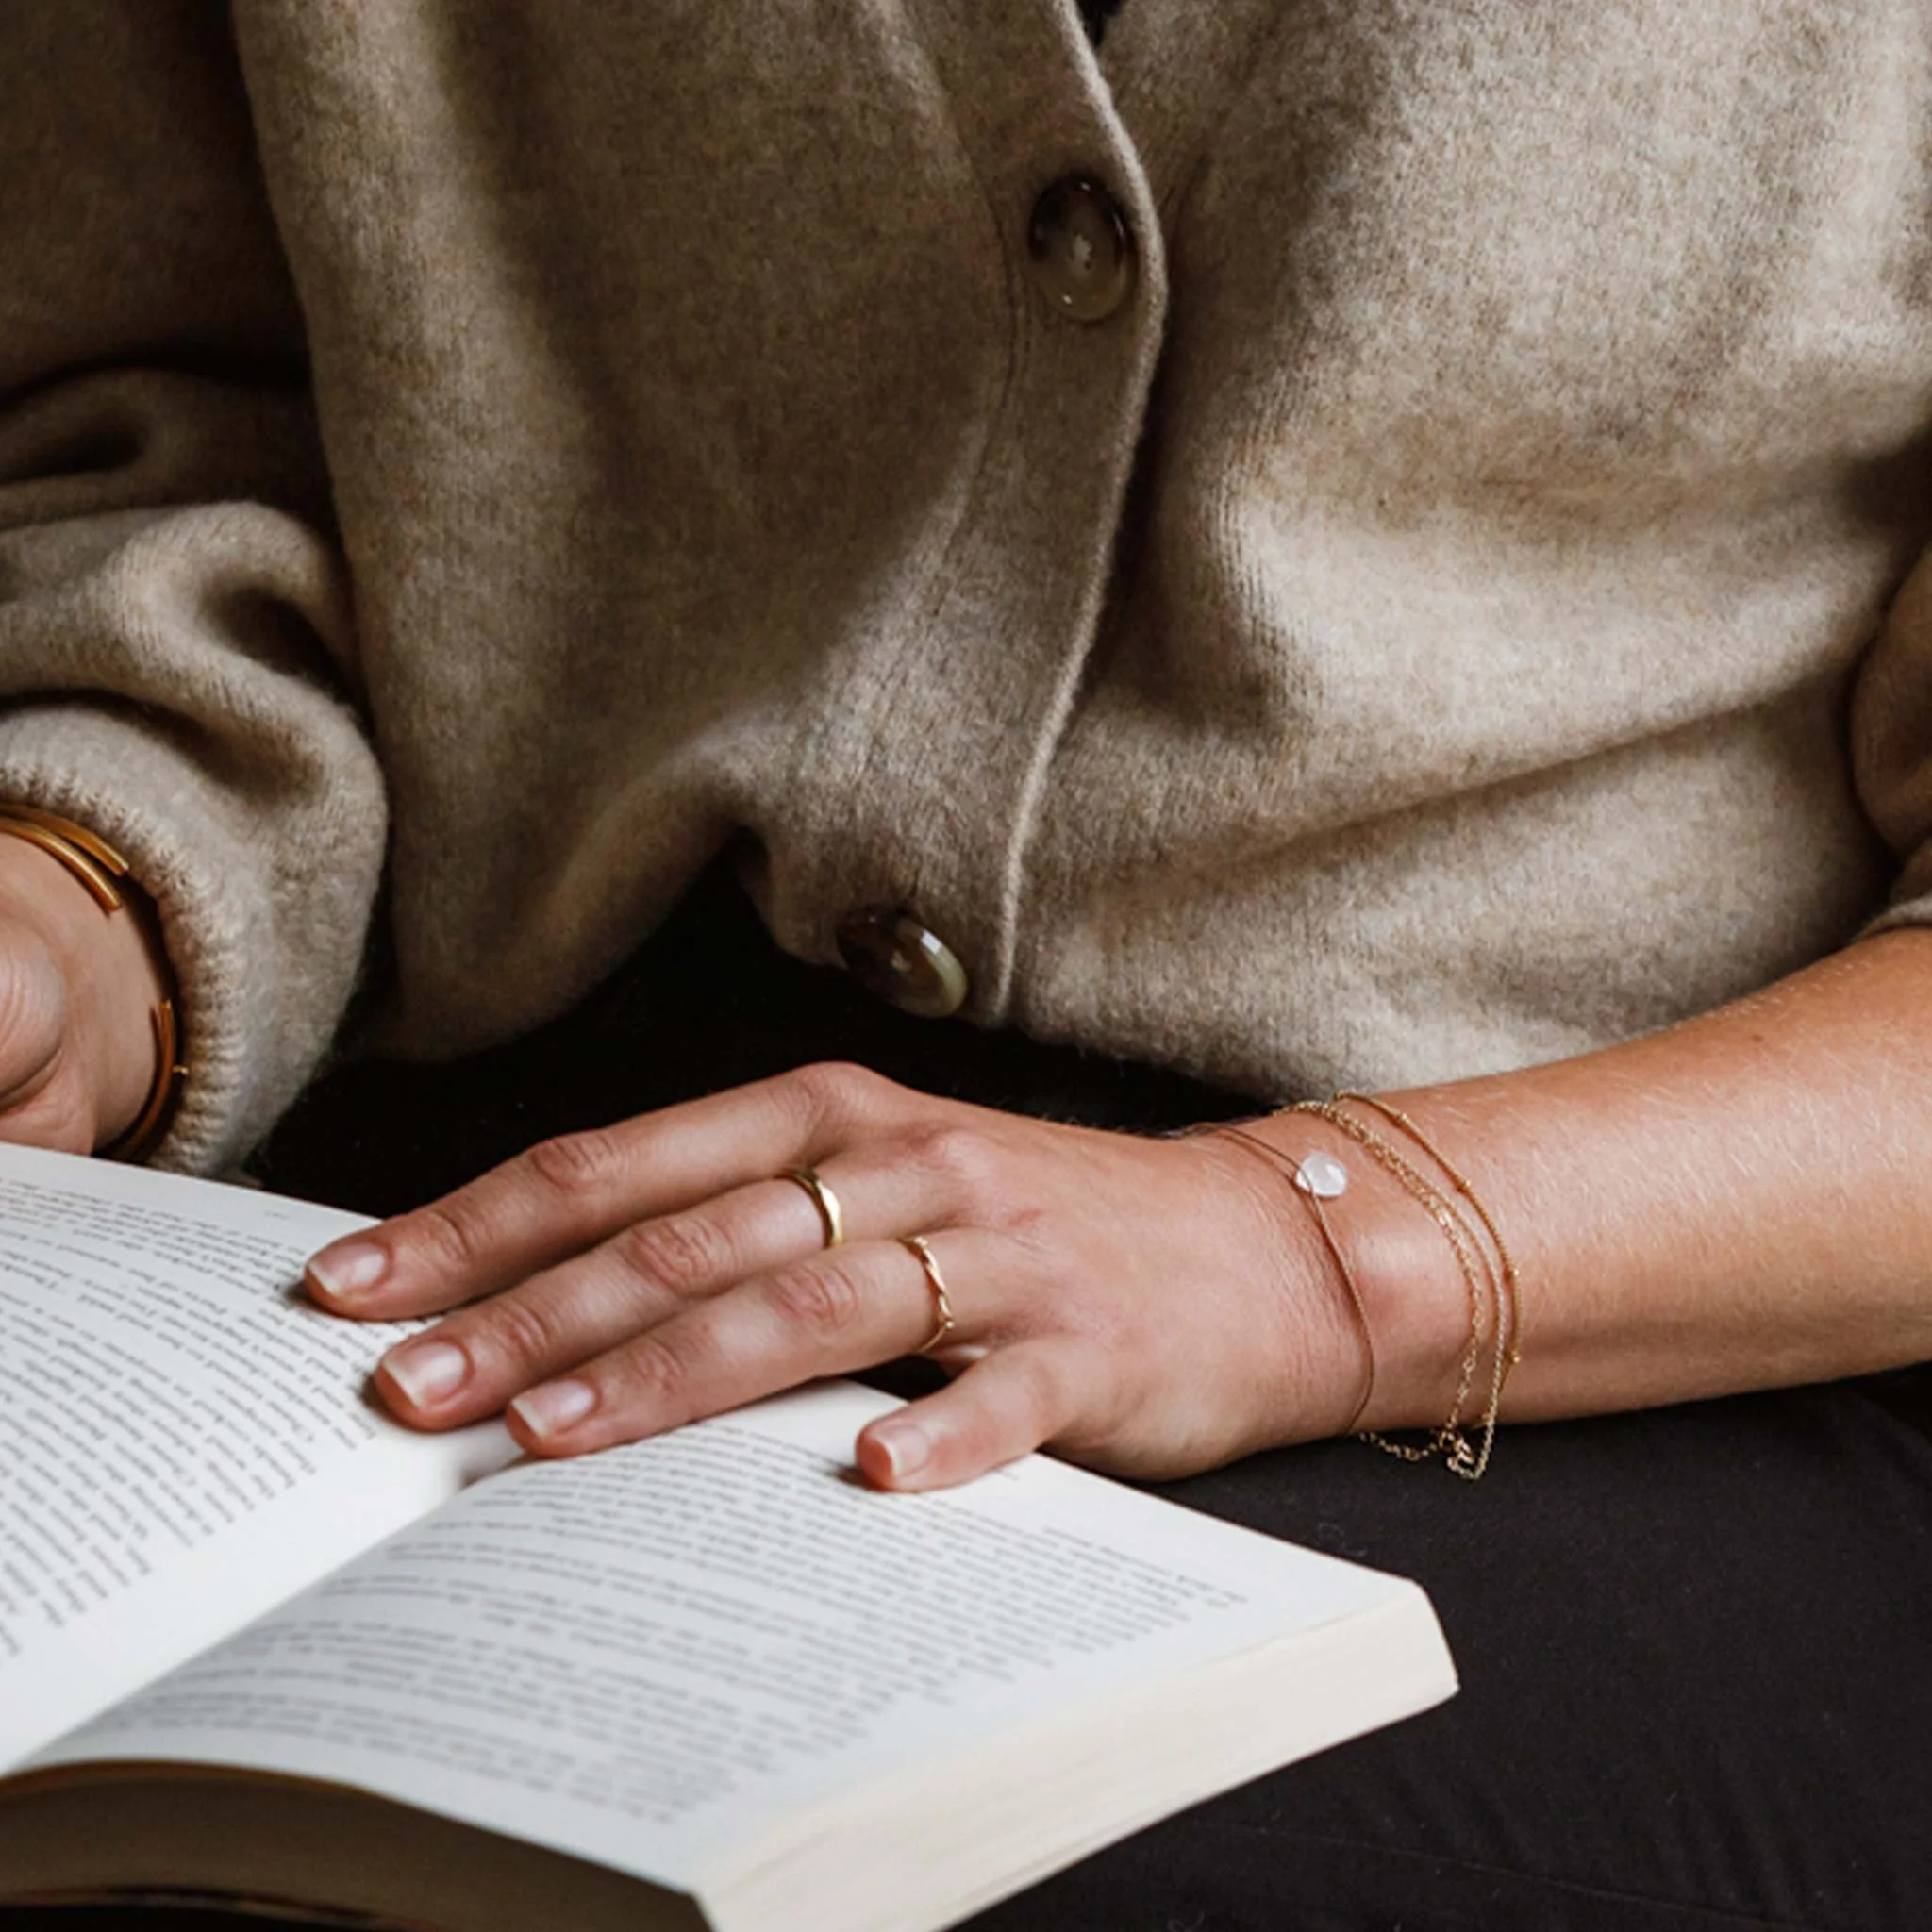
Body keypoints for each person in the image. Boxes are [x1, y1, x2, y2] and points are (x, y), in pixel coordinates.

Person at [3, 3, 1931, 1926]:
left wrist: (1304, 1260)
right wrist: (91, 903)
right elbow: (182, 416)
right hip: (486, 1166)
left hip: (1627, 1298)